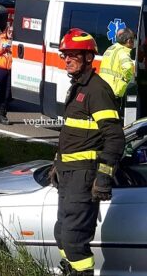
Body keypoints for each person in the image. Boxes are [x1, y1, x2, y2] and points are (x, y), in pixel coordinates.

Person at [53, 28, 125, 275]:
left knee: (74, 239)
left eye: (73, 55)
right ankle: (71, 270)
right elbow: (72, 133)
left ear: (88, 58)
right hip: (67, 173)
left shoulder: (97, 90)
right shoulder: (77, 87)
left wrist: (103, 178)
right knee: (61, 233)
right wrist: (57, 163)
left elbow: (115, 139)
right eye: (65, 55)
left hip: (83, 177)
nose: (67, 60)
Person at [98, 27, 135, 108]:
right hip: (114, 91)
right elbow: (128, 67)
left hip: (103, 88)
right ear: (128, 41)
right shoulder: (123, 51)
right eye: (133, 39)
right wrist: (127, 80)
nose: (134, 42)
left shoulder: (110, 48)